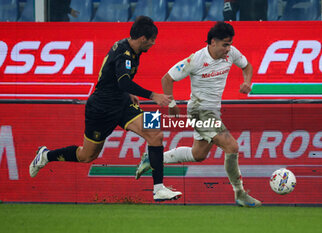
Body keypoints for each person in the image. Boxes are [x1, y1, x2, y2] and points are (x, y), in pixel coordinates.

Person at [29, 16, 182, 202]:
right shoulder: (125, 53)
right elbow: (123, 81)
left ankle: (158, 189)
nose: (153, 43)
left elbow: (119, 81)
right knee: (87, 156)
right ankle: (45, 156)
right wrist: (153, 95)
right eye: (151, 40)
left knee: (155, 134)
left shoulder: (130, 48)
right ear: (143, 38)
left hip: (123, 103)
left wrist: (126, 93)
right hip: (101, 109)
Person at [135, 21, 261, 207]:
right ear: (212, 42)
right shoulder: (195, 60)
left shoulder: (231, 53)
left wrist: (247, 82)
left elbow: (247, 66)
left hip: (213, 112)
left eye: (230, 44)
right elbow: (167, 78)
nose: (229, 49)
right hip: (199, 112)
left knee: (198, 154)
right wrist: (171, 103)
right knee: (231, 147)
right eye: (225, 44)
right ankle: (240, 193)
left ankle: (154, 158)